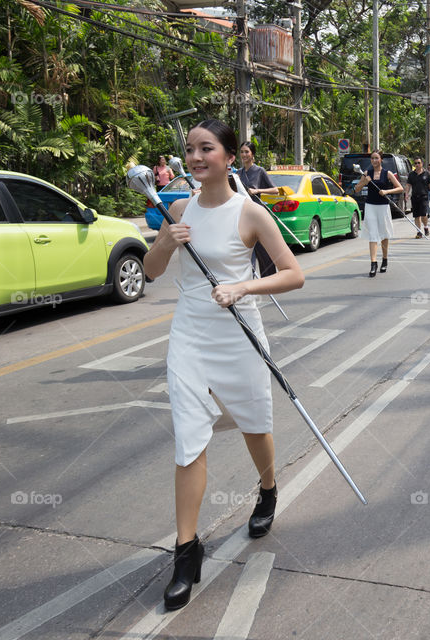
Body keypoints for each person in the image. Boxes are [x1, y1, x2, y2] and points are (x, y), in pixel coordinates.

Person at [142, 119, 304, 611]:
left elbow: (294, 275)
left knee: (255, 424)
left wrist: (241, 287)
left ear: (229, 156)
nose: (194, 157)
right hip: (190, 333)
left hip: (239, 331)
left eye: (206, 148)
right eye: (189, 149)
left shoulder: (250, 213)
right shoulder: (175, 207)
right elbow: (151, 271)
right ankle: (186, 552)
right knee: (190, 437)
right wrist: (168, 241)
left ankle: (269, 490)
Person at [354, 150, 404, 277]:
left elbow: (400, 188)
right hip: (370, 206)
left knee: (384, 234)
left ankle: (385, 260)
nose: (374, 160)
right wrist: (364, 182)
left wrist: (387, 192)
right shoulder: (366, 173)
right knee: (373, 234)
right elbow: (356, 189)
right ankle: (373, 263)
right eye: (372, 158)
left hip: (383, 207)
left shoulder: (387, 173)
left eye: (376, 158)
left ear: (381, 159)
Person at [406, 157, 430, 238]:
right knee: (416, 216)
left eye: (418, 163)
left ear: (422, 164)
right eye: (415, 163)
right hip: (414, 197)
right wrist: (406, 194)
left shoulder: (426, 173)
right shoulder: (411, 174)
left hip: (424, 196)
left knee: (423, 215)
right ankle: (419, 231)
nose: (417, 165)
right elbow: (408, 185)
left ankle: (426, 227)